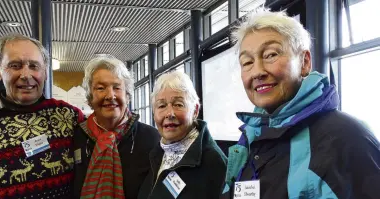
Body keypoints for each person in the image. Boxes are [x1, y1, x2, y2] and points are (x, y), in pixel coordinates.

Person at [222, 8, 380, 198]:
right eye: (247, 62)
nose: (257, 72)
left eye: (271, 55)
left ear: (304, 62)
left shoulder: (346, 138)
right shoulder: (252, 135)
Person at [0, 33, 84, 198]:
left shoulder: (68, 117)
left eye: (34, 66)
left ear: (45, 73)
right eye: (15, 65)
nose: (26, 75)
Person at [73, 55, 160, 199]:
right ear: (90, 98)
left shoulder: (151, 139)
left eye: (117, 87)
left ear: (127, 96)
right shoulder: (76, 137)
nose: (110, 95)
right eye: (101, 88)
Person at [138, 71, 227, 199]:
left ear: (195, 110)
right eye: (161, 105)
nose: (170, 113)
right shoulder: (157, 153)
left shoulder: (214, 162)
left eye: (178, 104)